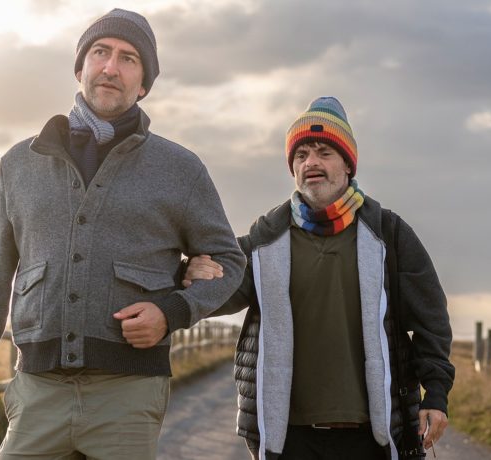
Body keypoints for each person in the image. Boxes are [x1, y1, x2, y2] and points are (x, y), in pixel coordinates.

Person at [0, 8, 246, 459]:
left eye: (129, 59)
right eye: (100, 52)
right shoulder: (19, 164)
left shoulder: (180, 170)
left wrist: (172, 311)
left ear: (144, 84)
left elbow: (229, 261)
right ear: (80, 67)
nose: (111, 67)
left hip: (128, 395)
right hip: (37, 392)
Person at [185, 97, 455, 459]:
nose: (311, 162)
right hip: (291, 438)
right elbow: (218, 289)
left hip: (371, 437)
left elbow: (431, 320)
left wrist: (435, 393)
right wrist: (190, 272)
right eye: (301, 155)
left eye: (324, 151)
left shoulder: (388, 234)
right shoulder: (265, 239)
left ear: (347, 164)